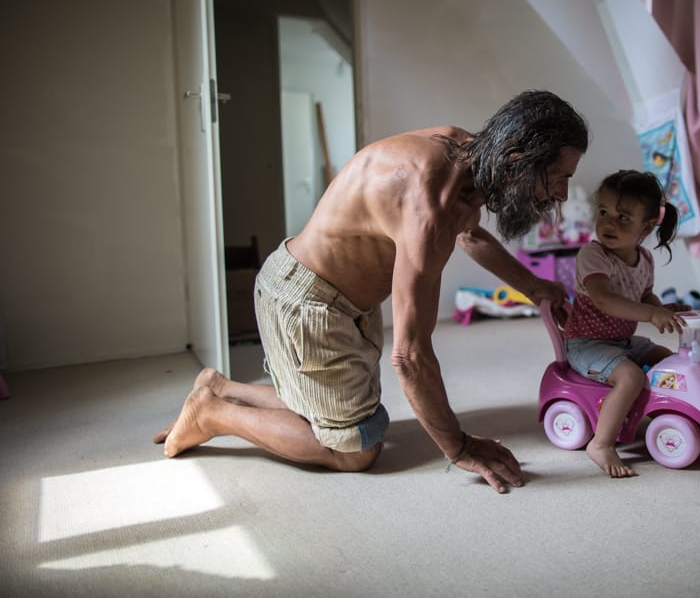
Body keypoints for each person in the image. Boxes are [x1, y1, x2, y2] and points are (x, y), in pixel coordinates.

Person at [154, 89, 589, 494]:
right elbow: (409, 356)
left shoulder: (463, 151)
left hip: (333, 301)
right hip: (307, 304)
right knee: (356, 449)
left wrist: (534, 287)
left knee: (359, 420)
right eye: (557, 178)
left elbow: (470, 235)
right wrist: (459, 447)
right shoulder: (430, 207)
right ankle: (214, 413)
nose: (561, 195)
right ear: (516, 159)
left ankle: (221, 387)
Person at [561, 170, 688, 478]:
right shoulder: (593, 255)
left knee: (669, 360)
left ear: (646, 227)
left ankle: (669, 411)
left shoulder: (644, 258)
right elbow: (604, 300)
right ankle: (601, 444)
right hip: (587, 344)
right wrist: (650, 314)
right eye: (603, 212)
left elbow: (644, 296)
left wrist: (662, 310)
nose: (609, 223)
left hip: (622, 342)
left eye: (623, 217)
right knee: (630, 377)